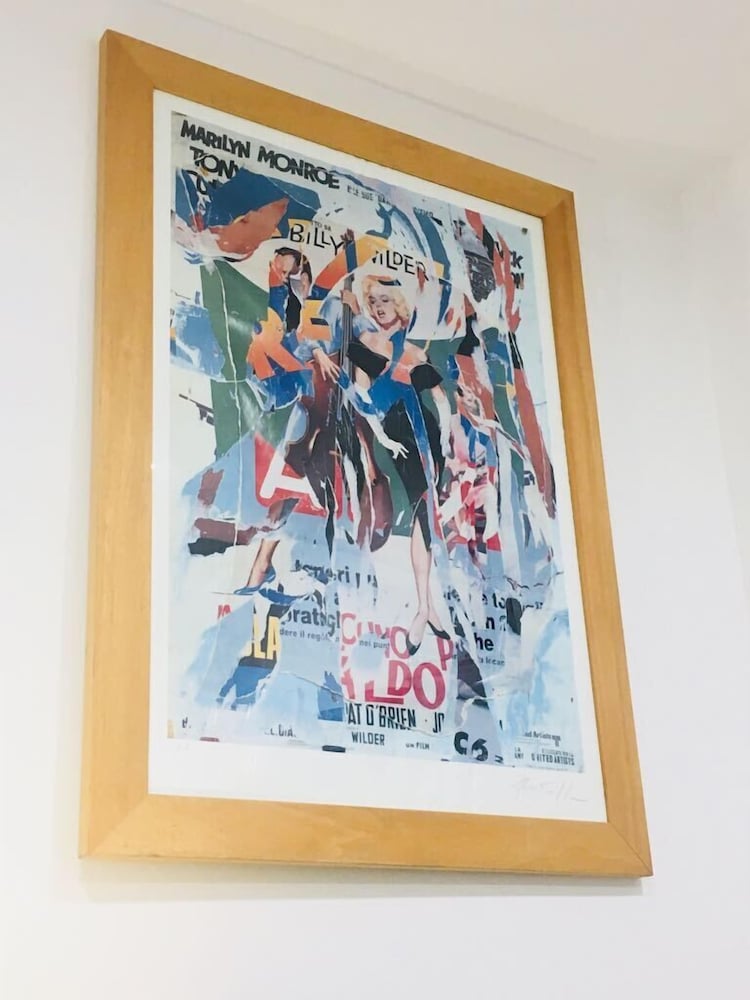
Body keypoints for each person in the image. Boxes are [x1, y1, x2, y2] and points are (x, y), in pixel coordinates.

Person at [343, 275, 452, 655]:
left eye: (384, 300)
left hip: (428, 435)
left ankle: (425, 607)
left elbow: (441, 400)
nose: (378, 307)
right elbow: (362, 398)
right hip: (399, 437)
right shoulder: (365, 347)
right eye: (372, 301)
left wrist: (444, 439)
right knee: (423, 511)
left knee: (426, 517)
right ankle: (425, 607)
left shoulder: (413, 352)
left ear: (398, 304)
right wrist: (384, 438)